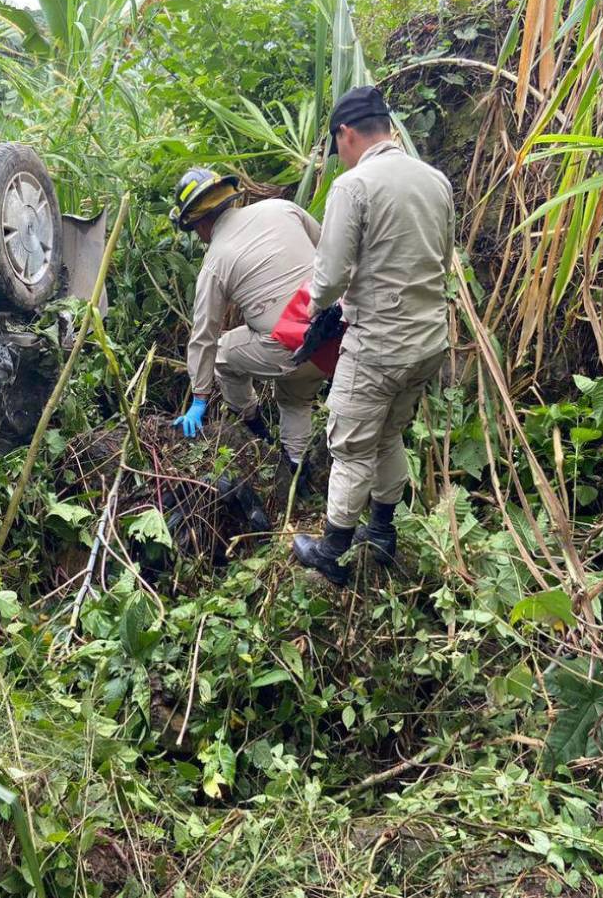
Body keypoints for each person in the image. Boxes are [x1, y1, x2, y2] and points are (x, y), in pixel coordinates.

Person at [291, 86, 454, 585]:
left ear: (346, 133)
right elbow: (440, 259)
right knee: (388, 435)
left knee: (350, 443)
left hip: (379, 345)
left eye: (335, 144)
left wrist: (303, 316)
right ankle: (382, 532)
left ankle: (332, 549)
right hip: (428, 341)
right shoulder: (435, 180)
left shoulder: (354, 186)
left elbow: (329, 277)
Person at [168, 167, 330, 481]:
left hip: (289, 349)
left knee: (222, 353)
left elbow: (204, 336)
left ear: (199, 223)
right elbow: (329, 251)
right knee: (294, 396)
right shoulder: (283, 208)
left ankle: (254, 425)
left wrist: (199, 398)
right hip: (333, 336)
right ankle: (298, 470)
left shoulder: (216, 260)